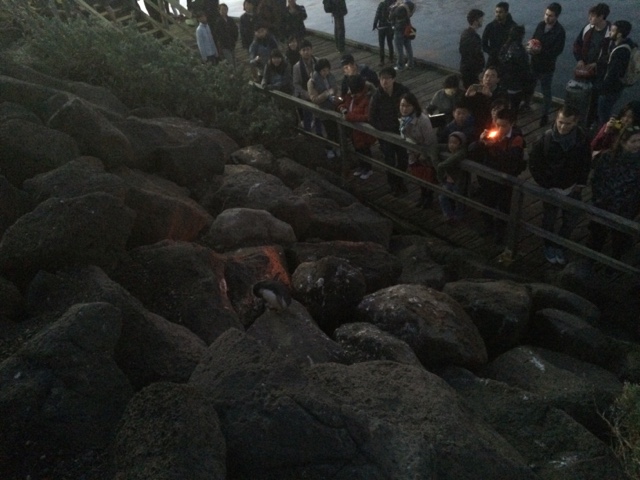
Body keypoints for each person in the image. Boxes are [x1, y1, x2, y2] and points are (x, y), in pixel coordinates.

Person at [528, 105, 591, 265]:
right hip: (551, 188)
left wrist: (581, 183)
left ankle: (561, 244)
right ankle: (549, 245)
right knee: (549, 219)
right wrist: (545, 184)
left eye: (568, 123)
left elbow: (586, 162)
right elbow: (534, 163)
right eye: (560, 122)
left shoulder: (582, 140)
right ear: (556, 119)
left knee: (570, 221)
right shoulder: (545, 139)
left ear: (575, 122)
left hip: (572, 187)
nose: (563, 127)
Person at [587, 123, 640, 260]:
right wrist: (598, 198)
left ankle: (614, 262)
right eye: (633, 141)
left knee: (619, 240)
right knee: (596, 236)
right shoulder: (607, 157)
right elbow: (596, 179)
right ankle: (590, 260)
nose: (638, 145)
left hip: (626, 209)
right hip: (603, 205)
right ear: (623, 142)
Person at [474, 108, 525, 244]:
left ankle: (500, 232)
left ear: (512, 124)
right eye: (497, 125)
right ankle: (488, 226)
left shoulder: (517, 139)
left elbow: (511, 160)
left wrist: (495, 145)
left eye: (503, 126)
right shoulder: (491, 133)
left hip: (505, 180)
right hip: (488, 177)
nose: (499, 129)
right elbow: (472, 151)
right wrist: (480, 142)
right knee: (486, 203)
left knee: (503, 207)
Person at [369, 66, 410, 195]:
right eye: (382, 79)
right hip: (386, 133)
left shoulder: (402, 91)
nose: (384, 82)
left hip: (401, 131)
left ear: (393, 79)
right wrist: (383, 128)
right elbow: (372, 117)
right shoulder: (377, 96)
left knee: (403, 159)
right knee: (389, 160)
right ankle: (393, 184)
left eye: (387, 78)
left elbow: (412, 106)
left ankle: (400, 181)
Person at [526, 2, 566, 127]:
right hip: (534, 63)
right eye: (546, 14)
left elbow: (557, 51)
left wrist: (540, 51)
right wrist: (530, 48)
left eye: (550, 16)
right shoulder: (540, 25)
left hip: (546, 67)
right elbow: (533, 39)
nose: (547, 18)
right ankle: (526, 104)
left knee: (546, 91)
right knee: (529, 86)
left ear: (556, 16)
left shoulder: (560, 32)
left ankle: (545, 115)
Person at [572, 3, 613, 127]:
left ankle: (589, 123)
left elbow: (612, 53)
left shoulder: (611, 32)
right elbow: (577, 44)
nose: (589, 18)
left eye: (593, 16)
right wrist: (579, 59)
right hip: (584, 69)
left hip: (599, 73)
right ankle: (578, 119)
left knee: (594, 98)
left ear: (601, 16)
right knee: (580, 95)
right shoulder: (587, 28)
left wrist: (597, 64)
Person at [399, 92, 438, 208]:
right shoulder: (403, 119)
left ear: (414, 106)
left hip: (424, 153)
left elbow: (430, 139)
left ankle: (428, 197)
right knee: (418, 175)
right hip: (412, 152)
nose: (404, 109)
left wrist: (423, 154)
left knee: (427, 175)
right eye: (402, 105)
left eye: (408, 106)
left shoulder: (422, 120)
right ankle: (423, 195)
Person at [597, 20, 636, 127]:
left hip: (610, 89)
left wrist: (601, 88)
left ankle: (606, 131)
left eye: (613, 30)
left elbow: (612, 73)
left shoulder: (621, 52)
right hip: (617, 87)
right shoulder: (628, 45)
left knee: (604, 113)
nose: (610, 32)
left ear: (619, 34)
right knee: (606, 111)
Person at [337, 75, 377, 180]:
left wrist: (349, 116)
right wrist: (342, 108)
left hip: (363, 132)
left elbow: (367, 117)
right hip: (353, 131)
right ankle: (361, 166)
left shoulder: (368, 99)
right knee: (357, 149)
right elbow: (344, 103)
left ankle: (368, 168)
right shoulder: (351, 96)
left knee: (365, 150)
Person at [308, 58, 340, 158]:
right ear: (319, 71)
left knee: (336, 129)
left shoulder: (331, 76)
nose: (326, 72)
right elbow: (314, 99)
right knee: (328, 131)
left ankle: (338, 147)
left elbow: (336, 88)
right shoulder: (312, 81)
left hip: (334, 106)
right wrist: (326, 94)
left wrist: (336, 96)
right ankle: (329, 149)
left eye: (327, 70)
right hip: (323, 109)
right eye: (323, 70)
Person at [498, 24, 532, 117]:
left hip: (505, 81)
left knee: (505, 103)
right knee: (514, 106)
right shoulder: (520, 51)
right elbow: (525, 68)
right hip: (516, 83)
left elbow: (501, 58)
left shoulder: (505, 46)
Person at [436, 131, 469, 223]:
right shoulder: (447, 150)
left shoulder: (461, 153)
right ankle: (448, 215)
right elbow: (435, 147)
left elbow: (447, 163)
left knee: (458, 200)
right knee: (442, 197)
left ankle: (459, 216)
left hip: (458, 182)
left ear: (460, 144)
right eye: (450, 142)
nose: (451, 145)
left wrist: (440, 167)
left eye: (455, 143)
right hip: (448, 180)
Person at [465, 66, 507, 135]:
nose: (488, 79)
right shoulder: (477, 88)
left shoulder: (501, 93)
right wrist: (467, 96)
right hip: (475, 121)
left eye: (492, 76)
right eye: (486, 76)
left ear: (497, 80)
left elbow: (499, 110)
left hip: (491, 123)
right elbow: (469, 107)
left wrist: (490, 96)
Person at [293, 39, 322, 134]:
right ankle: (308, 134)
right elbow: (296, 83)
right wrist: (305, 93)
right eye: (303, 50)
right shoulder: (297, 67)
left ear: (311, 50)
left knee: (319, 116)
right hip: (305, 95)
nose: (306, 52)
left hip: (318, 93)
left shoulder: (318, 61)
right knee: (307, 117)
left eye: (308, 49)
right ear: (300, 52)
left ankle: (319, 134)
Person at [482, 1, 516, 67]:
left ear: (506, 13)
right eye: (496, 12)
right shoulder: (490, 27)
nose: (497, 14)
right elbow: (483, 44)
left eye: (500, 12)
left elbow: (516, 43)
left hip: (508, 61)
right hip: (494, 59)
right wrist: (492, 53)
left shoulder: (513, 27)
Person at [459, 9, 485, 89]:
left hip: (466, 69)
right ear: (475, 21)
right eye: (481, 19)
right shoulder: (473, 37)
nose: (483, 21)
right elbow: (474, 56)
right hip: (471, 72)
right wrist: (479, 71)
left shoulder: (465, 33)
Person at [390, 0, 415, 71]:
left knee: (399, 50)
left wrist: (393, 8)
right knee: (408, 48)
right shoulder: (408, 7)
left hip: (399, 30)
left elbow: (391, 17)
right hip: (407, 29)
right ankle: (410, 64)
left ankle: (400, 66)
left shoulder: (398, 9)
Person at [373, 0, 395, 67]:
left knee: (381, 44)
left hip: (381, 27)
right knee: (390, 43)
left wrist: (374, 25)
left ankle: (382, 61)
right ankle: (391, 59)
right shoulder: (394, 5)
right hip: (390, 27)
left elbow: (377, 15)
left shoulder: (381, 4)